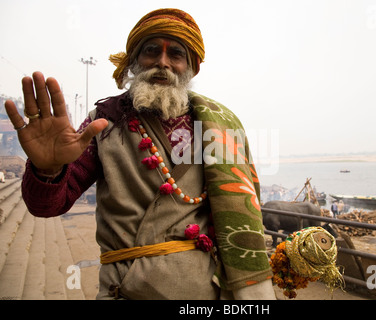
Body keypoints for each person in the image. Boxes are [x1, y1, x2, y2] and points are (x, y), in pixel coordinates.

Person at [4, 8, 275, 300]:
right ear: (134, 61)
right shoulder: (103, 121)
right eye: (150, 51)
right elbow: (46, 207)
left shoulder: (220, 126)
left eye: (175, 54)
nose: (162, 62)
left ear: (193, 67)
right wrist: (48, 170)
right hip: (124, 290)